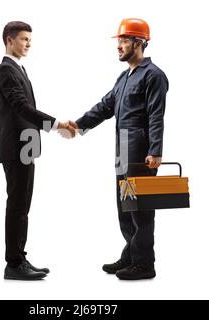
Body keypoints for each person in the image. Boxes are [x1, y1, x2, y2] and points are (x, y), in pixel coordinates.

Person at [70, 18, 169, 280]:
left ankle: (145, 264)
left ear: (139, 42)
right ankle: (131, 255)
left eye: (124, 40)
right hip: (122, 148)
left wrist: (156, 150)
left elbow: (156, 115)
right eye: (119, 41)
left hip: (140, 152)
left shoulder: (154, 75)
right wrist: (78, 125)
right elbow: (105, 107)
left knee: (141, 207)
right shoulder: (124, 77)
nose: (119, 46)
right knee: (124, 205)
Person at [0, 21, 76, 280]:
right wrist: (56, 124)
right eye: (24, 39)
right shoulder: (6, 70)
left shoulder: (19, 69)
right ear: (9, 40)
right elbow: (21, 107)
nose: (28, 44)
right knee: (17, 205)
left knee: (22, 206)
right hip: (17, 147)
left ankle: (19, 259)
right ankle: (14, 263)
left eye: (30, 39)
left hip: (26, 146)